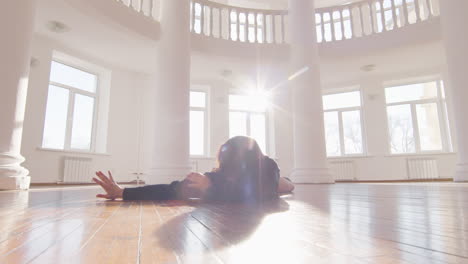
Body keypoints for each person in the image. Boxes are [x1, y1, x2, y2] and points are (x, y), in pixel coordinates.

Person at [93, 136, 294, 202]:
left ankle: (287, 180)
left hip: (275, 182)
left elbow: (261, 193)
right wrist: (122, 192)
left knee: (286, 186)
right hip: (258, 183)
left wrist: (211, 189)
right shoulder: (217, 177)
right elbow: (170, 189)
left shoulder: (267, 165)